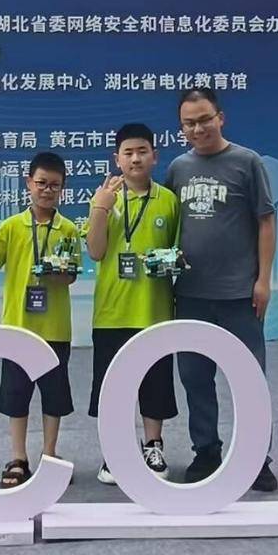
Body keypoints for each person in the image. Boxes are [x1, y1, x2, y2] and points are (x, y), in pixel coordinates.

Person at [165, 88, 278, 491]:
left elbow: (266, 221)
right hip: (191, 294)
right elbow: (168, 222)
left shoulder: (247, 162)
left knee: (249, 379)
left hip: (239, 294)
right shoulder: (178, 168)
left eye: (204, 120)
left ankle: (257, 458)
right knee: (195, 378)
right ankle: (206, 451)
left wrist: (263, 280)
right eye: (189, 124)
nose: (198, 129)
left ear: (220, 118)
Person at [0, 151, 80, 489]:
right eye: (41, 183)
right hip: (18, 328)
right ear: (28, 184)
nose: (47, 190)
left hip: (55, 329)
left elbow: (71, 276)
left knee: (54, 397)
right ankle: (18, 458)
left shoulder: (68, 229)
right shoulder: (11, 226)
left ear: (62, 189)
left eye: (54, 185)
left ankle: (50, 454)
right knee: (16, 396)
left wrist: (55, 272)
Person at [85, 123, 181, 483]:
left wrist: (168, 261)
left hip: (154, 311)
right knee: (113, 387)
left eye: (142, 151)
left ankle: (153, 446)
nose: (135, 158)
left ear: (155, 156)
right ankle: (116, 451)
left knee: (155, 384)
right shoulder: (104, 196)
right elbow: (95, 251)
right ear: (117, 159)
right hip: (111, 312)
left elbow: (176, 253)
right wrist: (101, 209)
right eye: (128, 152)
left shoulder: (168, 200)